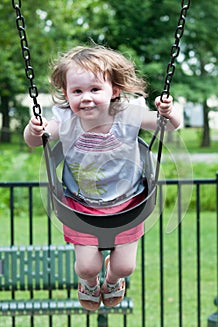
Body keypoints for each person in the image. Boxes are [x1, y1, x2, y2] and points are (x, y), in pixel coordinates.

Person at [24, 45, 180, 311]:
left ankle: (112, 279)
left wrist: (168, 112)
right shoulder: (67, 120)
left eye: (95, 89)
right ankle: (90, 283)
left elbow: (171, 125)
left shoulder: (129, 115)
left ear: (114, 91)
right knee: (86, 266)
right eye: (77, 91)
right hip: (80, 204)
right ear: (66, 94)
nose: (86, 97)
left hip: (129, 201)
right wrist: (34, 128)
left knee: (125, 266)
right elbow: (35, 140)